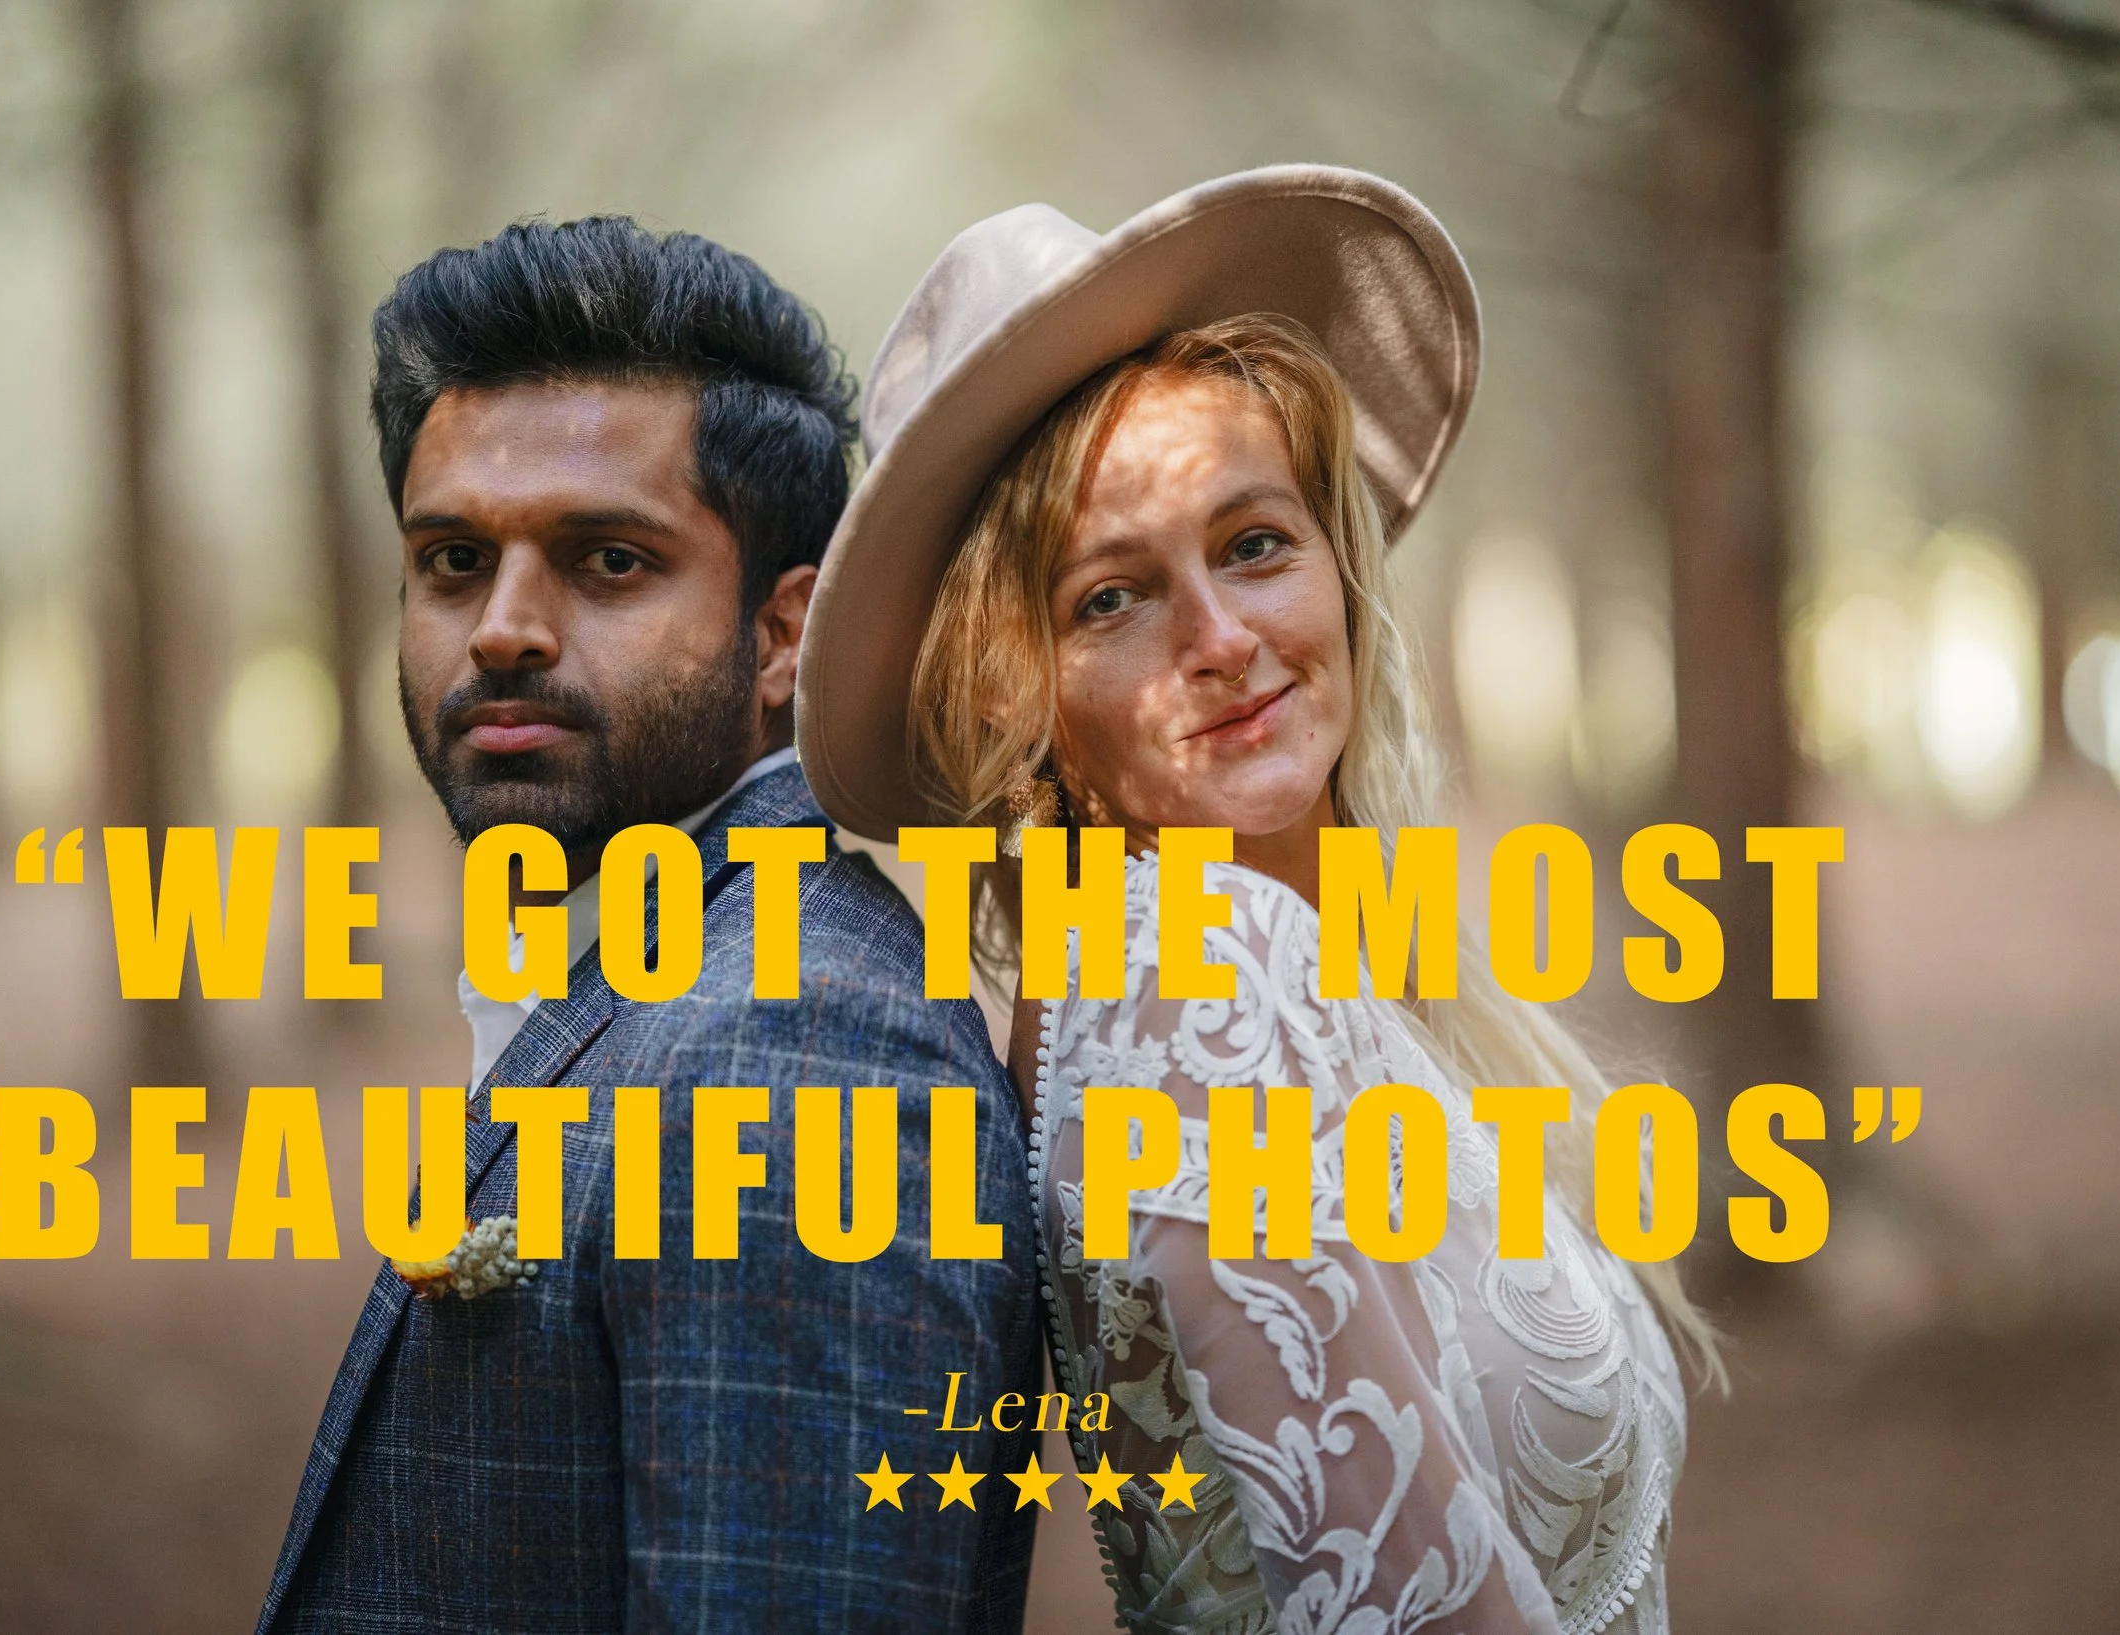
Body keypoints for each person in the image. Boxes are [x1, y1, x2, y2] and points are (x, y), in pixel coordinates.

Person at [797, 167, 1720, 1634]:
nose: (1223, 639)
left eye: (1254, 545)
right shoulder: (1195, 976)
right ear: (1020, 700)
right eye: (1113, 596)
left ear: (1339, 575)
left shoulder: (1211, 966)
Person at [257, 216, 1044, 1634]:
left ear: (782, 634)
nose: (502, 626)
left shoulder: (802, 1050)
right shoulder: (658, 974)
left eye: (607, 559)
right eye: (449, 561)